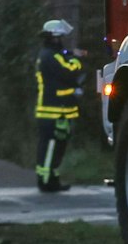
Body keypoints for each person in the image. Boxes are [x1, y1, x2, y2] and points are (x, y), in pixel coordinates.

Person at [33, 19, 84, 193]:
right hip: (53, 111)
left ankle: (52, 178)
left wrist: (69, 53)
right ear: (54, 37)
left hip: (56, 111)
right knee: (51, 147)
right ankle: (46, 181)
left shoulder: (50, 54)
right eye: (61, 37)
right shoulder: (51, 56)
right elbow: (70, 72)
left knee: (56, 147)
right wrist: (76, 59)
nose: (62, 40)